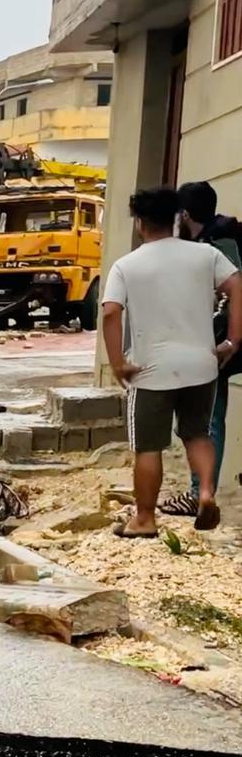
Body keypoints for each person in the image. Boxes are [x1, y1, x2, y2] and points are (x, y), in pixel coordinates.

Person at [101, 186, 242, 537]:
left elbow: (110, 314)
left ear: (139, 222)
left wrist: (117, 362)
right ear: (177, 218)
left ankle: (145, 519)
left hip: (151, 370)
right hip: (202, 364)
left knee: (148, 446)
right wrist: (232, 340)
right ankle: (205, 493)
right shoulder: (205, 255)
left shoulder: (126, 265)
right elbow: (237, 285)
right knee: (197, 433)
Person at [159, 180, 242, 515]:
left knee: (205, 417)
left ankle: (199, 494)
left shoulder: (220, 242)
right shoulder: (215, 237)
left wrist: (229, 342)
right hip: (221, 342)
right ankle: (199, 491)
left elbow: (236, 291)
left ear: (185, 214)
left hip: (226, 344)